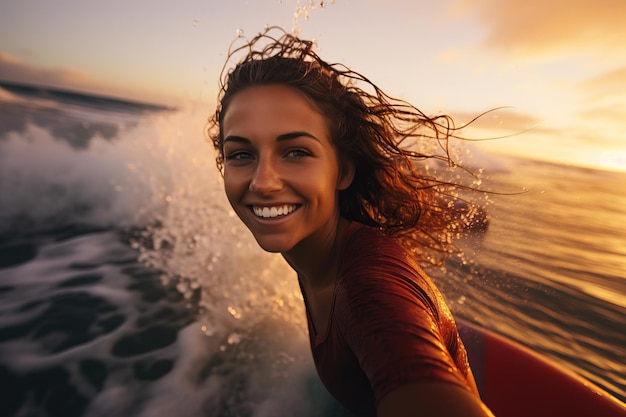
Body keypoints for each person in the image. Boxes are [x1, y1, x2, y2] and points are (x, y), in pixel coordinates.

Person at [207, 27, 494, 417]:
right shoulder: (319, 253)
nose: (263, 182)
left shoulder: (369, 292)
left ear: (343, 171)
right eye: (241, 154)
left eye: (295, 152)